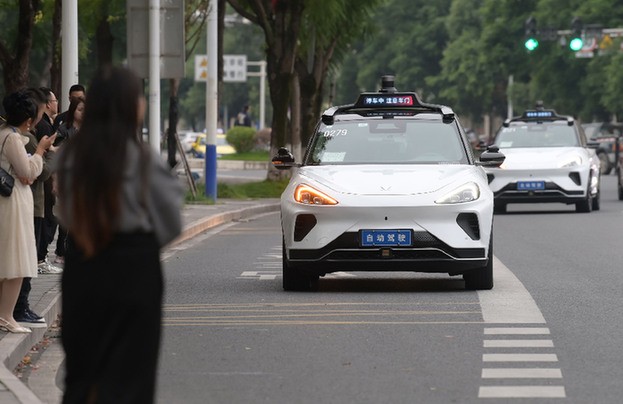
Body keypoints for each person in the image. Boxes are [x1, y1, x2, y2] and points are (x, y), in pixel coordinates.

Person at [56, 66, 183, 403]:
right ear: (131, 106)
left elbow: (63, 212)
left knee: (83, 367)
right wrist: (138, 245)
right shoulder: (143, 158)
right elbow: (171, 222)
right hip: (134, 267)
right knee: (132, 370)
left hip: (83, 260)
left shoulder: (71, 157)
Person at [0, 90, 56, 333]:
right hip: (13, 203)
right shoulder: (12, 138)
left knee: (8, 260)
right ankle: (6, 316)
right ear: (29, 119)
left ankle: (5, 315)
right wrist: (41, 151)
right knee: (16, 261)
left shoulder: (5, 133)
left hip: (10, 202)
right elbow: (28, 173)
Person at [35, 87, 63, 274]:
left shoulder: (45, 123)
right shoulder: (45, 127)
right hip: (45, 178)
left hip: (45, 177)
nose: (56, 104)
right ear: (47, 104)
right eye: (54, 101)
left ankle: (40, 257)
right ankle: (40, 258)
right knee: (47, 219)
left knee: (47, 219)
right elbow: (46, 156)